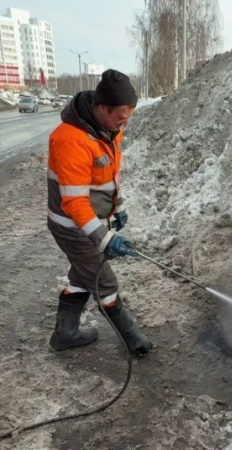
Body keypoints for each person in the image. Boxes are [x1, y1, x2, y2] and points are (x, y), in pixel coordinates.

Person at [46, 69, 153, 355]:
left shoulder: (109, 130)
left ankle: (65, 334)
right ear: (103, 108)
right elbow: (74, 202)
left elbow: (109, 176)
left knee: (83, 276)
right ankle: (132, 339)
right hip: (72, 227)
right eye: (121, 117)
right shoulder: (71, 140)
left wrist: (117, 208)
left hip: (92, 221)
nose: (125, 123)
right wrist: (105, 239)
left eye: (128, 117)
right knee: (104, 282)